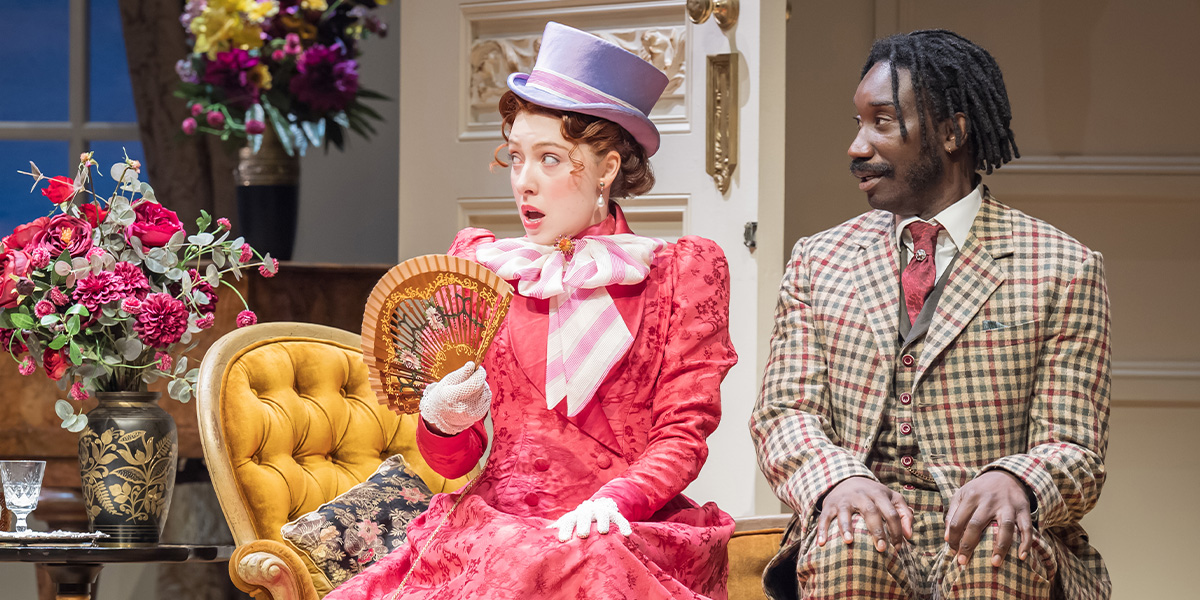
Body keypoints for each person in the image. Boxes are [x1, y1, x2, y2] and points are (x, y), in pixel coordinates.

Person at [326, 22, 737, 600]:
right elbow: (452, 464)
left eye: (550, 159)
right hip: (497, 524)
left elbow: (683, 432)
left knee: (587, 563)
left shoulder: (681, 273)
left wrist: (614, 501)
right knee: (517, 563)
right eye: (516, 158)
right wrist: (443, 420)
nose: (524, 183)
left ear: (608, 169)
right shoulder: (479, 266)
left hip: (624, 525)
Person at [750, 29, 1111, 600]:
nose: (857, 146)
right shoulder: (818, 259)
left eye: (883, 123)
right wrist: (836, 478)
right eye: (857, 123)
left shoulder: (1063, 267)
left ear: (951, 132)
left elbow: (1075, 447)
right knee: (849, 546)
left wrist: (1015, 478)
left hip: (988, 535)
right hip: (861, 526)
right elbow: (784, 414)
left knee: (1000, 548)